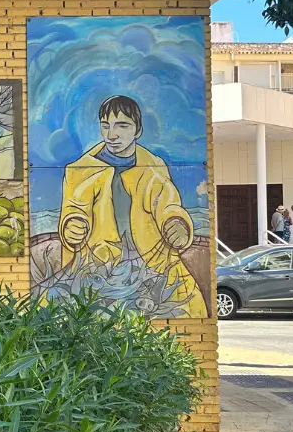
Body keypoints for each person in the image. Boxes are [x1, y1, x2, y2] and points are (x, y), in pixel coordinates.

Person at [57, 95, 205, 318]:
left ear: (137, 130)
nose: (112, 134)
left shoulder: (153, 167)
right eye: (105, 126)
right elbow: (74, 208)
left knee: (189, 305)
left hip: (153, 263)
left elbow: (167, 204)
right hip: (99, 267)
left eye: (122, 125)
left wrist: (177, 224)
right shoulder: (80, 169)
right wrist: (72, 226)